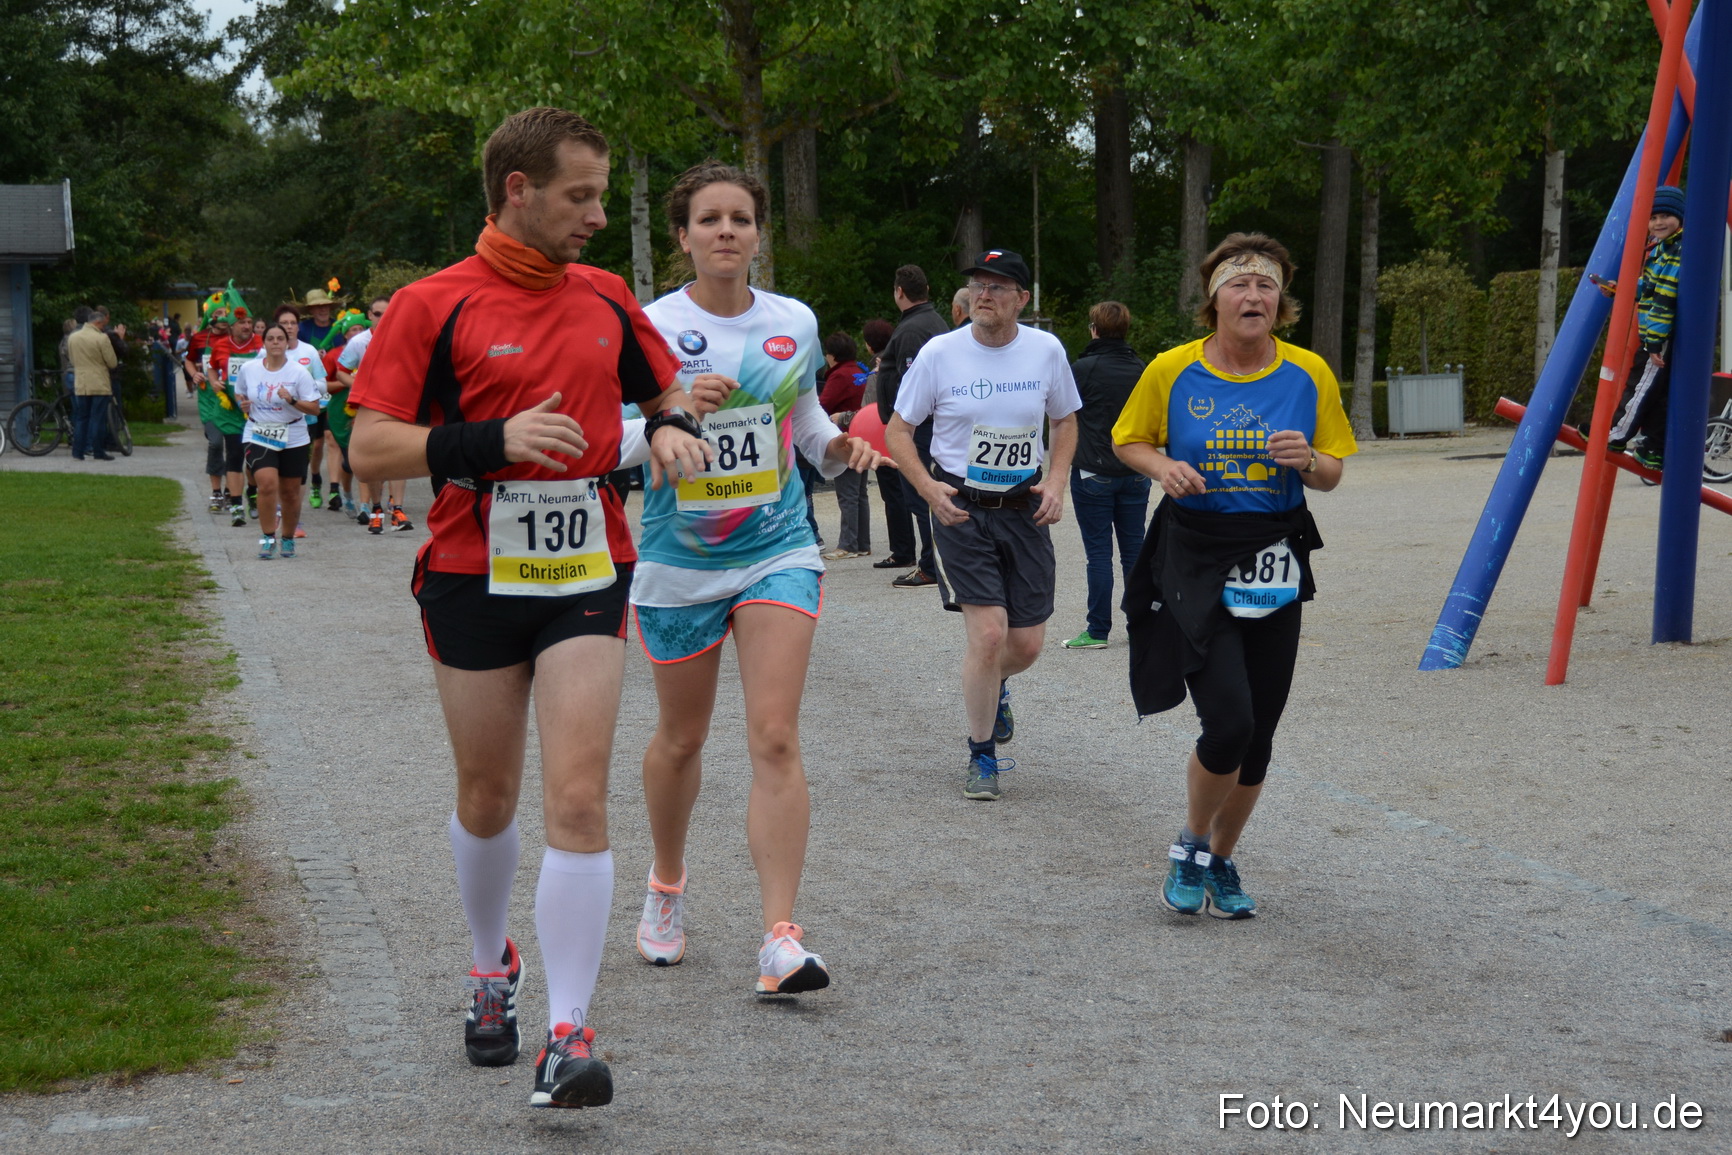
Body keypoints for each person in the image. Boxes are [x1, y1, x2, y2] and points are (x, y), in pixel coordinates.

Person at [348, 106, 705, 1112]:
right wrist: (489, 440)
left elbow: (664, 391)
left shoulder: (604, 296)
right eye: (579, 196)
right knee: (487, 795)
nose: (596, 216)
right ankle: (488, 963)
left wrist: (670, 428)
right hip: (472, 570)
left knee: (579, 795)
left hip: (586, 568)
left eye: (601, 196)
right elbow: (370, 447)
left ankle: (569, 1033)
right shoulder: (432, 304)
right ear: (519, 189)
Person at [632, 160, 882, 996]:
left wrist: (837, 446)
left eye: (740, 218)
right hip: (679, 558)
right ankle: (667, 882)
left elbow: (801, 417)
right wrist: (672, 416)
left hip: (777, 547)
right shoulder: (650, 327)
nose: (726, 232)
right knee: (682, 738)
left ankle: (780, 937)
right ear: (682, 235)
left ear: (758, 233)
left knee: (775, 734)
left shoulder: (793, 321)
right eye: (709, 219)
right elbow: (613, 431)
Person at [1113, 232, 1356, 920]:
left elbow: (1332, 472)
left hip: (1274, 553)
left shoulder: (1308, 372)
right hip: (1194, 553)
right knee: (1229, 722)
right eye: (1239, 284)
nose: (1254, 295)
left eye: (1266, 285)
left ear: (1282, 302)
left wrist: (1309, 460)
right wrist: (1164, 467)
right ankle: (1191, 844)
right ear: (1214, 298)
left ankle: (1222, 857)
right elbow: (1128, 440)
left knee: (1260, 735)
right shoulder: (1172, 369)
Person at [886, 249, 1081, 801]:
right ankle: (982, 755)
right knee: (989, 634)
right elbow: (899, 430)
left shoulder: (1045, 350)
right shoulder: (940, 353)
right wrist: (928, 489)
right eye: (977, 285)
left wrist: (1057, 480)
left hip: (1025, 509)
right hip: (962, 511)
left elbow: (1065, 420)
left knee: (1026, 645)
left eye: (998, 286)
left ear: (1022, 299)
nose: (984, 294)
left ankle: (996, 688)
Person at [1061, 301, 1150, 649]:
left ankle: (1098, 630)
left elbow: (1062, 414)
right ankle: (1140, 626)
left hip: (1093, 471)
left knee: (1099, 555)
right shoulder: (1141, 368)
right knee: (1134, 552)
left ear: (1094, 330)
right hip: (1135, 470)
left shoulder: (1083, 369)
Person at [875, 264, 950, 588]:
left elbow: (912, 385)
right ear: (927, 290)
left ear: (899, 292)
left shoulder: (911, 330)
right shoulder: (933, 321)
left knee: (921, 496)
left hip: (919, 429)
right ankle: (934, 563)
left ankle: (930, 567)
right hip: (930, 425)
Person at [1604, 185, 1685, 470]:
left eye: (1665, 216)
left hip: (1659, 334)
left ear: (1680, 217)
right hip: (1659, 332)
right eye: (1653, 217)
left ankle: (1615, 435)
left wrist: (1654, 342)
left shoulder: (1678, 250)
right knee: (1659, 394)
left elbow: (1665, 298)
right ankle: (1654, 447)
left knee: (1640, 385)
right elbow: (1649, 287)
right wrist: (1620, 289)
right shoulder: (1662, 247)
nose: (1659, 222)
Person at [234, 323, 322, 559]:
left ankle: (288, 538)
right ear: (264, 343)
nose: (275, 342)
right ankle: (268, 538)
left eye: (279, 339)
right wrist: (242, 403)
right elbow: (239, 391)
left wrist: (292, 400)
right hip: (258, 432)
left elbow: (314, 408)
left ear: (286, 343)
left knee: (290, 492)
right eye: (270, 338)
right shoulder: (249, 369)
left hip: (293, 435)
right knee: (266, 484)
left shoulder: (298, 372)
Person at [338, 295, 414, 534]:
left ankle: (398, 510)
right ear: (370, 315)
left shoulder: (403, 338)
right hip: (369, 406)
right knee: (372, 458)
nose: (383, 318)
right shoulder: (359, 342)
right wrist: (361, 388)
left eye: (388, 313)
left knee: (399, 456)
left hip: (397, 403)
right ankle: (376, 510)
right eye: (378, 314)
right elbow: (341, 371)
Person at [860, 317, 915, 571]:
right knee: (902, 494)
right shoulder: (899, 362)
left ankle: (901, 551)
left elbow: (869, 410)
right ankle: (907, 549)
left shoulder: (878, 371)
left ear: (870, 344)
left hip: (884, 440)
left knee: (893, 496)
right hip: (904, 437)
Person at [818, 331, 871, 559]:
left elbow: (822, 405)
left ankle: (848, 545)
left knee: (847, 493)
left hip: (845, 439)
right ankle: (862, 543)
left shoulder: (839, 375)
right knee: (860, 493)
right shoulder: (859, 371)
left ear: (832, 355)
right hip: (864, 436)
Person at [211, 311, 262, 525]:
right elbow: (212, 368)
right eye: (242, 323)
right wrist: (214, 382)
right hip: (231, 411)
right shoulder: (220, 345)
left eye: (250, 322)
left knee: (254, 460)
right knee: (234, 455)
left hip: (257, 411)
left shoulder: (261, 344)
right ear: (231, 326)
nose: (247, 326)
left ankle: (252, 492)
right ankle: (236, 506)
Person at [66, 305, 118, 461]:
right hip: (99, 382)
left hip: (81, 382)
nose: (103, 328)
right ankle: (98, 451)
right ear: (98, 323)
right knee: (97, 418)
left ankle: (77, 452)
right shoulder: (101, 338)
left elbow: (72, 360)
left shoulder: (73, 337)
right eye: (102, 325)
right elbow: (112, 362)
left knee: (82, 418)